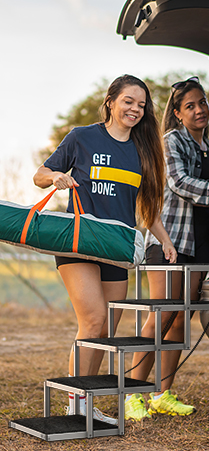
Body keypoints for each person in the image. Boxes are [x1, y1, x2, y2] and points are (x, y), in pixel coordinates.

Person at [33, 74, 177, 424]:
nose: (135, 109)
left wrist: (165, 239)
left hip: (117, 247)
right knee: (93, 320)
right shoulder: (82, 137)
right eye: (128, 101)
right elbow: (40, 174)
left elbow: (148, 206)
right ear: (110, 101)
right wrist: (55, 177)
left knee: (106, 332)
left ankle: (87, 398)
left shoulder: (143, 149)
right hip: (78, 243)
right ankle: (76, 404)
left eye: (142, 105)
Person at [126, 76, 209, 420]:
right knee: (163, 314)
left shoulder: (206, 147)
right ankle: (132, 393)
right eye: (191, 106)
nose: (200, 110)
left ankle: (161, 394)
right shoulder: (171, 141)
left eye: (203, 103)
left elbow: (202, 199)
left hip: (196, 243)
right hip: (167, 241)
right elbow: (179, 183)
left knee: (181, 320)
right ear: (178, 114)